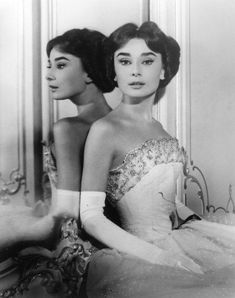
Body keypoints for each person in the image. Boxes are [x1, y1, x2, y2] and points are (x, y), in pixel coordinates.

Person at [80, 22, 235, 298]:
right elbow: (91, 217)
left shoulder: (161, 130)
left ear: (163, 70)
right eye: (124, 61)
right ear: (114, 72)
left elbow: (161, 198)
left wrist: (199, 226)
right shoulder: (104, 130)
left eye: (147, 60)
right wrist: (160, 257)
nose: (135, 70)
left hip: (177, 240)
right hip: (138, 255)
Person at [0, 28, 115, 297]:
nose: (49, 74)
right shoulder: (119, 124)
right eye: (49, 65)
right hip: (112, 248)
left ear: (90, 71)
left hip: (76, 251)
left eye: (61, 65)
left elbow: (66, 213)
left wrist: (16, 237)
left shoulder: (67, 128)